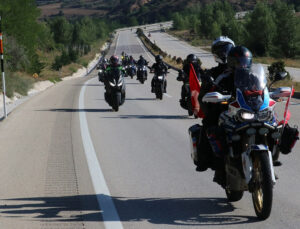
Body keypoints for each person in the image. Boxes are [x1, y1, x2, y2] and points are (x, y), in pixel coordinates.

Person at [197, 43, 253, 188]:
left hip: (248, 109)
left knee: (272, 123)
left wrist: (270, 94)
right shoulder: (223, 75)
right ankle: (213, 164)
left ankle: (268, 159)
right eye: (238, 62)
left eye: (244, 61)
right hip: (228, 109)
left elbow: (262, 88)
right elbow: (208, 91)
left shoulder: (252, 75)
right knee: (213, 128)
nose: (242, 64)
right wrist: (216, 95)